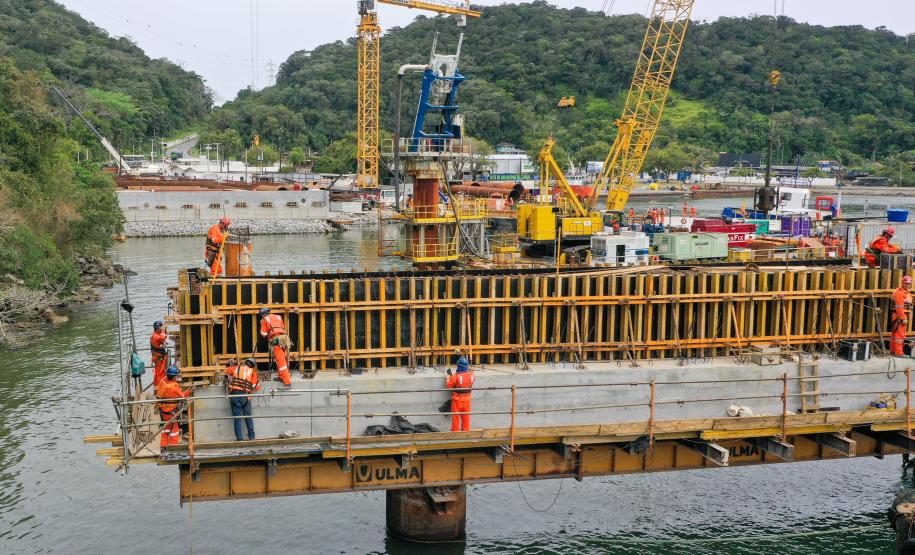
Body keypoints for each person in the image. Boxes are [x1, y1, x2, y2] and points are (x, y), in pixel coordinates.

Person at [225, 358, 260, 441]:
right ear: (253, 365)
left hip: (234, 395)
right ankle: (251, 437)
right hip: (245, 396)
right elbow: (256, 386)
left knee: (237, 418)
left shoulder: (237, 368)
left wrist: (230, 369)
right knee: (248, 417)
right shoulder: (253, 372)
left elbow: (226, 371)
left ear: (245, 362)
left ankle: (239, 439)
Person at [156, 365, 191, 448]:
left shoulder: (163, 381)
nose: (177, 377)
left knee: (165, 428)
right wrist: (189, 390)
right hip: (171, 412)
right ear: (174, 376)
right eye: (176, 375)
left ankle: (163, 445)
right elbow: (182, 396)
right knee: (174, 431)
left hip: (163, 411)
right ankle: (172, 447)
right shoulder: (174, 388)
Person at [259, 307, 292, 387]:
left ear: (262, 315)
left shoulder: (264, 319)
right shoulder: (278, 317)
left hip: (277, 340)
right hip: (284, 338)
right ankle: (281, 377)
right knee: (280, 359)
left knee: (281, 362)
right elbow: (280, 328)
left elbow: (264, 334)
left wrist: (261, 324)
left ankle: (287, 383)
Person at [446, 357, 475, 432]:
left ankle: (455, 433)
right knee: (466, 417)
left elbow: (449, 385)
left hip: (457, 400)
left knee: (456, 417)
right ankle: (466, 432)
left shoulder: (455, 376)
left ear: (458, 366)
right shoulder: (472, 375)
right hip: (467, 399)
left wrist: (447, 378)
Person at [891, 276, 913, 356]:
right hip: (900, 316)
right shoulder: (900, 293)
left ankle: (893, 351)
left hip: (898, 315)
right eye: (906, 283)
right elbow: (899, 307)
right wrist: (903, 318)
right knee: (900, 335)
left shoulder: (905, 292)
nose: (908, 285)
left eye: (909, 284)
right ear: (903, 283)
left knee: (895, 334)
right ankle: (899, 353)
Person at [150, 320, 168, 386]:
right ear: (158, 328)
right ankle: (160, 388)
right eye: (161, 327)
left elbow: (164, 337)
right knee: (160, 373)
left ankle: (157, 387)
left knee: (158, 373)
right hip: (158, 358)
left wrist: (164, 329)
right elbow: (163, 337)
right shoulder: (155, 336)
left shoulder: (157, 334)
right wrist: (163, 329)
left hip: (159, 357)